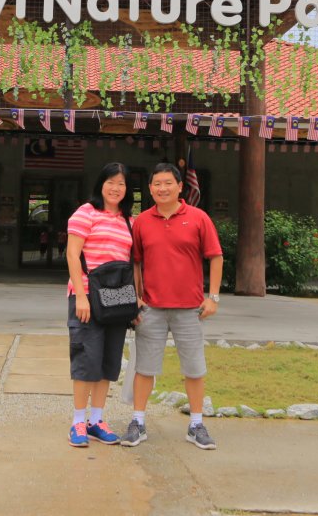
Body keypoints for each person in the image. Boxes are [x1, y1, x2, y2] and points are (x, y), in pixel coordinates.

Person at [122, 162, 223, 451]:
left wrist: (212, 297)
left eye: (168, 183)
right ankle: (138, 422)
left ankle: (196, 424)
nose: (162, 188)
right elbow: (137, 262)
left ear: (180, 187)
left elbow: (215, 257)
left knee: (194, 368)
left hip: (190, 308)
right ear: (150, 188)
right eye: (156, 183)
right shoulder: (141, 221)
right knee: (144, 368)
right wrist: (138, 297)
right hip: (151, 307)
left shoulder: (198, 218)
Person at [64, 162, 135, 447]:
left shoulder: (130, 220)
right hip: (87, 296)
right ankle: (78, 422)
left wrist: (136, 299)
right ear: (100, 184)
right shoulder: (85, 213)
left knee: (108, 361)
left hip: (118, 299)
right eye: (110, 182)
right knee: (86, 359)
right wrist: (80, 296)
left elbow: (133, 264)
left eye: (121, 183)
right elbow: (72, 255)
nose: (115, 188)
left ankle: (96, 419)